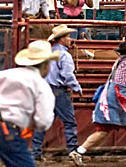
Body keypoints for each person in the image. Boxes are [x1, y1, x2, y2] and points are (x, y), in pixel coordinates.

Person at [0, 40, 58, 167]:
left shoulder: (2, 75)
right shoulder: (41, 85)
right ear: (45, 65)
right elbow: (43, 122)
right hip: (8, 130)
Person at [31, 25, 82, 161]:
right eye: (67, 37)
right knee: (69, 122)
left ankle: (35, 152)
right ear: (62, 39)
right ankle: (73, 151)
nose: (70, 39)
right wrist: (77, 88)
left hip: (45, 89)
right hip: (59, 91)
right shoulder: (64, 55)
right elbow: (67, 75)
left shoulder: (50, 53)